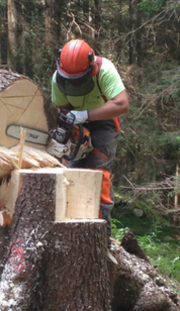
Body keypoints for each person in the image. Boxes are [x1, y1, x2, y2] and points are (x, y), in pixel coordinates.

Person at [51, 39, 129, 248]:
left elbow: (122, 104)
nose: (74, 84)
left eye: (79, 80)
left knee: (97, 169)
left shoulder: (105, 70)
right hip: (77, 120)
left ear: (91, 66)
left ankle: (102, 234)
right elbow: (63, 109)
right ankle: (67, 232)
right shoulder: (58, 79)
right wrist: (72, 126)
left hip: (105, 121)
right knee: (68, 169)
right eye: (70, 80)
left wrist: (86, 114)